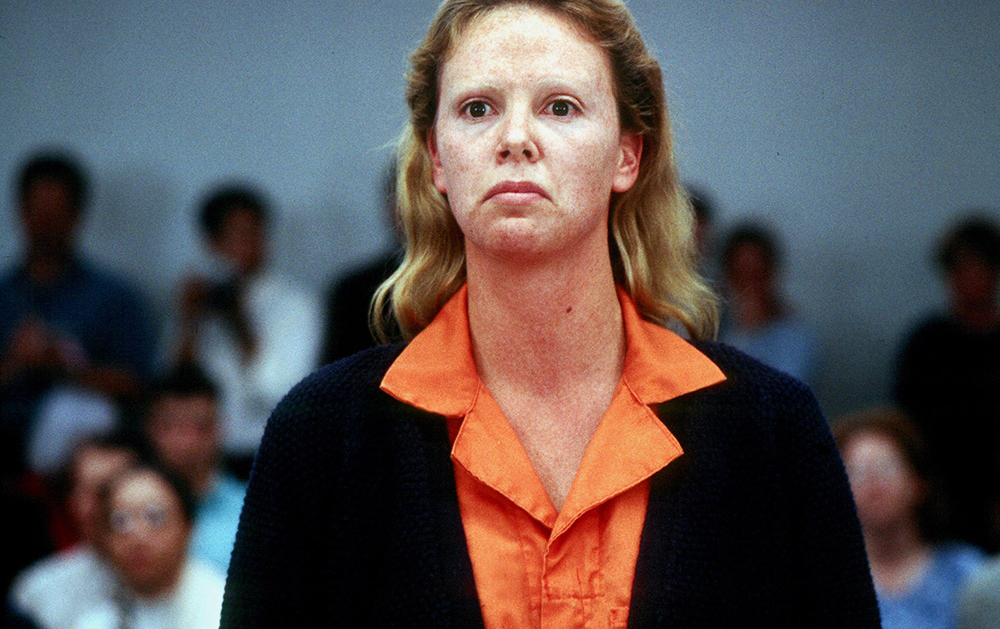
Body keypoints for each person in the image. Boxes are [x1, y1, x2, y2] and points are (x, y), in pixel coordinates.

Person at [222, 1, 880, 627]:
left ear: (627, 154)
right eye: (477, 108)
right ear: (437, 159)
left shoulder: (773, 427)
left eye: (560, 106)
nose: (515, 138)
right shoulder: (319, 434)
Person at [0, 153, 156, 478]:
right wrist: (17, 361)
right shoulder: (5, 294)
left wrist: (65, 367)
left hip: (81, 466)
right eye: (38, 212)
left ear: (78, 215)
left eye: (57, 214)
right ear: (21, 210)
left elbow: (137, 385)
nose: (46, 225)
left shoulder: (115, 298)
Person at [174, 184, 323, 478]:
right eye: (237, 237)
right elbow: (174, 384)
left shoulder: (294, 304)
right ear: (211, 244)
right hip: (199, 455)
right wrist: (189, 322)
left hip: (266, 452)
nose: (251, 246)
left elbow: (283, 393)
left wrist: (238, 323)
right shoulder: (197, 298)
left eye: (257, 234)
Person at [894, 215, 1000, 552]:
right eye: (960, 269)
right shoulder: (927, 342)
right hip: (940, 494)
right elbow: (908, 424)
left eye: (979, 268)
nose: (970, 279)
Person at [835, 407, 984, 629]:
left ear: (918, 481)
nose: (873, 487)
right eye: (855, 473)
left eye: (885, 469)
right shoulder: (823, 581)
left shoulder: (967, 572)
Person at [73, 464, 224, 629]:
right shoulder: (94, 619)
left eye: (154, 517)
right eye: (120, 521)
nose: (138, 536)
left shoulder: (222, 609)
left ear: (188, 527)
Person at [9, 436, 137, 629]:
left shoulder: (184, 584)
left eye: (111, 491)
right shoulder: (37, 590)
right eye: (88, 492)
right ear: (71, 502)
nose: (102, 507)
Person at [144, 364, 246, 574]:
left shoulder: (255, 512)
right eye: (171, 426)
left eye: (200, 427)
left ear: (221, 429)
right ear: (150, 429)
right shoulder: (127, 507)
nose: (186, 441)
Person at [321, 159, 404, 363]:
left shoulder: (471, 282)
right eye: (399, 199)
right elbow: (338, 372)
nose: (410, 211)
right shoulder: (352, 291)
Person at [718, 222, 818, 385]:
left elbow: (788, 386)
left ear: (771, 274)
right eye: (741, 273)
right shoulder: (714, 328)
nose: (749, 284)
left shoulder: (794, 335)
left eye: (756, 273)